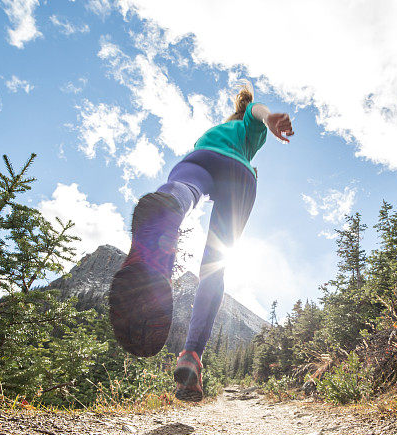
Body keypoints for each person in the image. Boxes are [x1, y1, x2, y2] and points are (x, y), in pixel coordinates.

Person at [109, 85, 294, 402]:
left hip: (201, 158)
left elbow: (245, 112)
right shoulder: (247, 129)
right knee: (214, 267)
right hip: (240, 174)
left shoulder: (213, 131)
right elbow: (255, 110)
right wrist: (270, 117)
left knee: (185, 187)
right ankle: (192, 355)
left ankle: (168, 205)